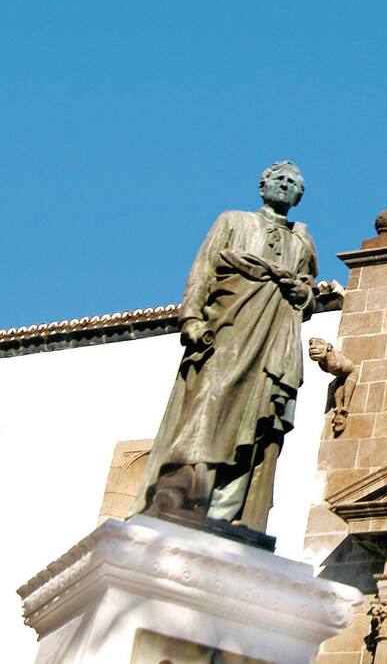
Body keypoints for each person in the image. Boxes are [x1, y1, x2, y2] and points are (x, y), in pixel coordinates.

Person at [133, 160, 318, 533]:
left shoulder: (302, 241)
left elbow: (308, 295)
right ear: (263, 185)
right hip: (228, 330)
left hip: (273, 342)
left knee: (259, 415)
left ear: (299, 196)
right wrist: (191, 318)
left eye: (293, 183)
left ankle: (227, 508)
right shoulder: (233, 221)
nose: (285, 185)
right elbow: (203, 269)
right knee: (210, 400)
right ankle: (183, 490)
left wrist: (303, 293)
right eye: (279, 179)